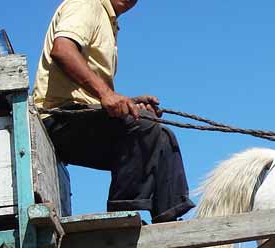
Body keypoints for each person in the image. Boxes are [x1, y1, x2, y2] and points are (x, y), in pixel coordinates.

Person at [33, 0, 194, 222]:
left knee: (164, 137)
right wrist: (106, 94)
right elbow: (62, 50)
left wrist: (128, 102)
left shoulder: (109, 22)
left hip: (83, 117)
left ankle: (169, 230)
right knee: (144, 124)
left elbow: (97, 98)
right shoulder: (87, 4)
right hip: (58, 118)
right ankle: (122, 218)